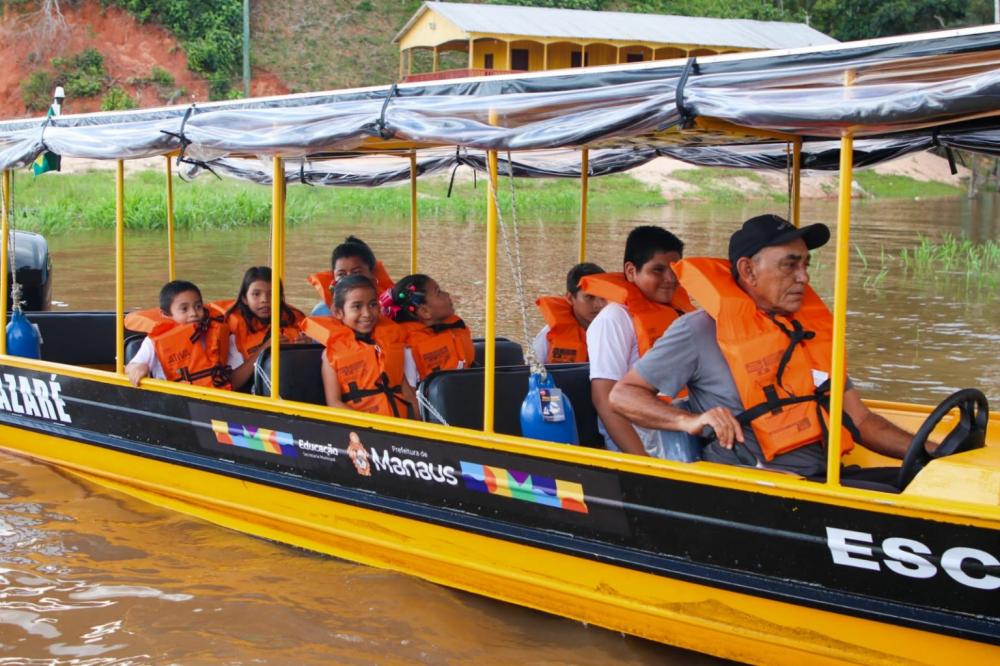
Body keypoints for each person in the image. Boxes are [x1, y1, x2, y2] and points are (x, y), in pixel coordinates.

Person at [610, 214, 919, 488]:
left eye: (804, 264)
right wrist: (686, 420)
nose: (803, 277)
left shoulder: (806, 332)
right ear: (748, 270)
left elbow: (862, 422)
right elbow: (623, 394)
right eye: (790, 265)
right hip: (761, 490)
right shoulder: (698, 330)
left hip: (828, 480)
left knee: (918, 480)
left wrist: (935, 452)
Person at [582, 226, 693, 457]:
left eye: (675, 269)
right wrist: (641, 461)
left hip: (683, 427)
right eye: (658, 270)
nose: (670, 279)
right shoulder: (614, 319)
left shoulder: (681, 315)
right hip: (640, 443)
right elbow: (604, 398)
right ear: (631, 271)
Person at [319, 275, 417, 418]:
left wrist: (418, 425)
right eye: (357, 306)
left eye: (372, 304)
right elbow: (334, 402)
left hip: (401, 427)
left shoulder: (389, 345)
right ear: (338, 312)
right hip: (363, 433)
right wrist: (370, 427)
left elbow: (406, 391)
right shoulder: (331, 356)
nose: (367, 313)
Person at [124, 280, 233, 389]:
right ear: (166, 315)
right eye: (184, 309)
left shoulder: (214, 332)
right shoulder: (153, 341)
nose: (193, 313)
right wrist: (139, 366)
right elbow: (131, 367)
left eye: (198, 306)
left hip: (216, 396)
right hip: (173, 399)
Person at [216, 266, 306, 391]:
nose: (265, 300)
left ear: (280, 297)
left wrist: (307, 349)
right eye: (256, 294)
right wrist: (265, 349)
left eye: (272, 294)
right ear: (244, 299)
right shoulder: (233, 331)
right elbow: (233, 383)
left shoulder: (295, 321)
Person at [382, 274, 474, 385]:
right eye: (438, 292)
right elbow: (410, 390)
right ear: (425, 311)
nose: (447, 294)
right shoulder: (407, 349)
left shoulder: (453, 326)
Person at [531, 262, 606, 364]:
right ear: (570, 298)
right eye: (590, 297)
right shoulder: (548, 335)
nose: (599, 304)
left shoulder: (618, 330)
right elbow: (530, 372)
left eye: (603, 296)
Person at [307, 236, 395, 312]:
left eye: (356, 272)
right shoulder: (321, 312)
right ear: (333, 279)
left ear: (372, 275)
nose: (349, 280)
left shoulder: (394, 310)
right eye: (341, 274)